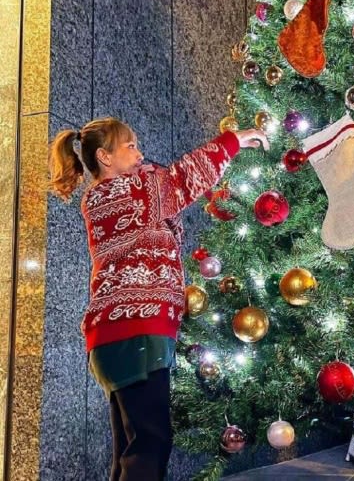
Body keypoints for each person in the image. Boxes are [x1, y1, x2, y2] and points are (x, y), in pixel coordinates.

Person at [48, 117, 269, 481]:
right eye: (130, 146)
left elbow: (169, 196)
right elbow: (181, 180)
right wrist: (233, 141)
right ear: (104, 157)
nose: (140, 153)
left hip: (127, 335)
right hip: (133, 332)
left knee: (132, 449)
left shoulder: (125, 194)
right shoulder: (124, 193)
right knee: (150, 444)